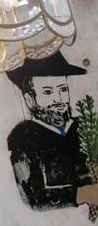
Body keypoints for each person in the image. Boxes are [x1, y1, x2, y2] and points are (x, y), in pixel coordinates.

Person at [6, 52, 98, 211]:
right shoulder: (22, 137)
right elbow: (33, 198)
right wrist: (82, 194)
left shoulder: (85, 126)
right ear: (29, 100)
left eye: (63, 89)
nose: (59, 100)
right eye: (48, 92)